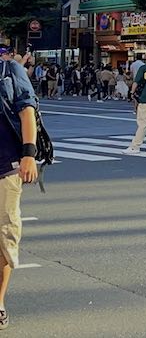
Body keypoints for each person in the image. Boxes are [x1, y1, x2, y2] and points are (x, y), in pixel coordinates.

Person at [0, 46, 39, 331]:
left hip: (5, 165)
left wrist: (29, 154)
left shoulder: (9, 70)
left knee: (4, 234)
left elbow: (27, 111)